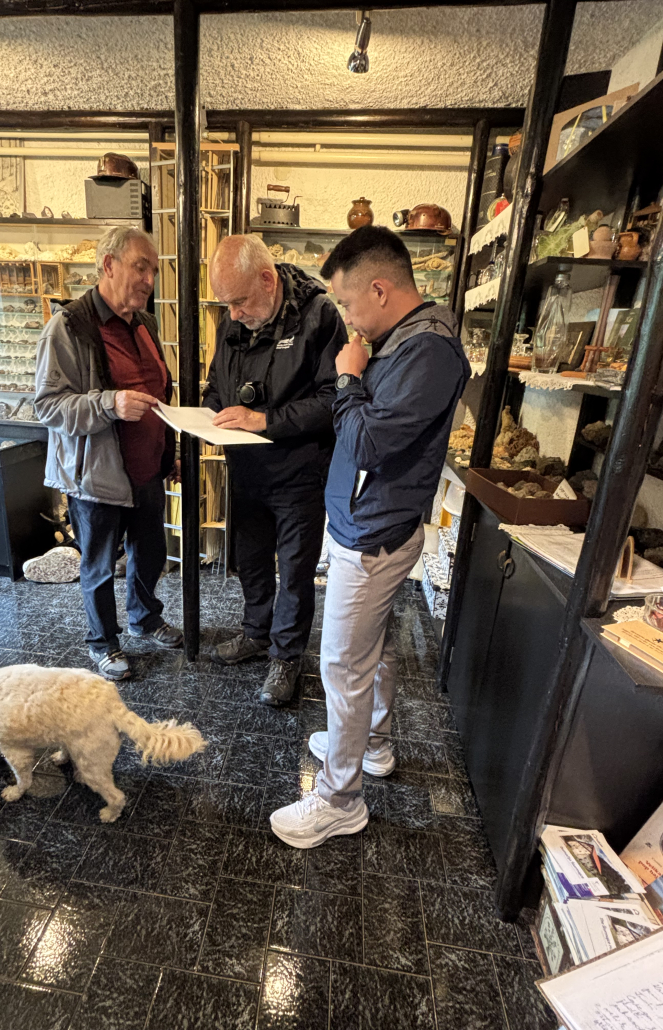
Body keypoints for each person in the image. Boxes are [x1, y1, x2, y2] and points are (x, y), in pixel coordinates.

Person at [269, 225, 471, 848]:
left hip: (375, 531)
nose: (349, 320)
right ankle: (373, 745)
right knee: (371, 650)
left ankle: (339, 799)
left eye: (350, 304)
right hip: (369, 521)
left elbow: (367, 443)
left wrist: (348, 378)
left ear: (380, 290)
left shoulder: (427, 350)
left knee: (342, 665)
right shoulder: (405, 340)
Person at [204, 235, 347, 705]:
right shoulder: (234, 318)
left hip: (298, 473)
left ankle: (286, 657)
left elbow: (333, 400)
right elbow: (216, 385)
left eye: (240, 301)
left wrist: (266, 420)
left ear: (268, 280)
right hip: (246, 469)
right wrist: (208, 416)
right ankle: (256, 633)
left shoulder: (320, 316)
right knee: (250, 561)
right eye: (227, 304)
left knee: (296, 570)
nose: (233, 314)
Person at [35, 225, 182, 682]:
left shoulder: (145, 324)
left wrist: (169, 449)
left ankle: (144, 618)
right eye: (141, 268)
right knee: (99, 565)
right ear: (108, 264)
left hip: (146, 470)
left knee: (150, 552)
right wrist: (109, 403)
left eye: (153, 271)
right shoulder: (68, 327)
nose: (149, 280)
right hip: (97, 477)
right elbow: (48, 406)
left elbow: (158, 393)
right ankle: (103, 643)